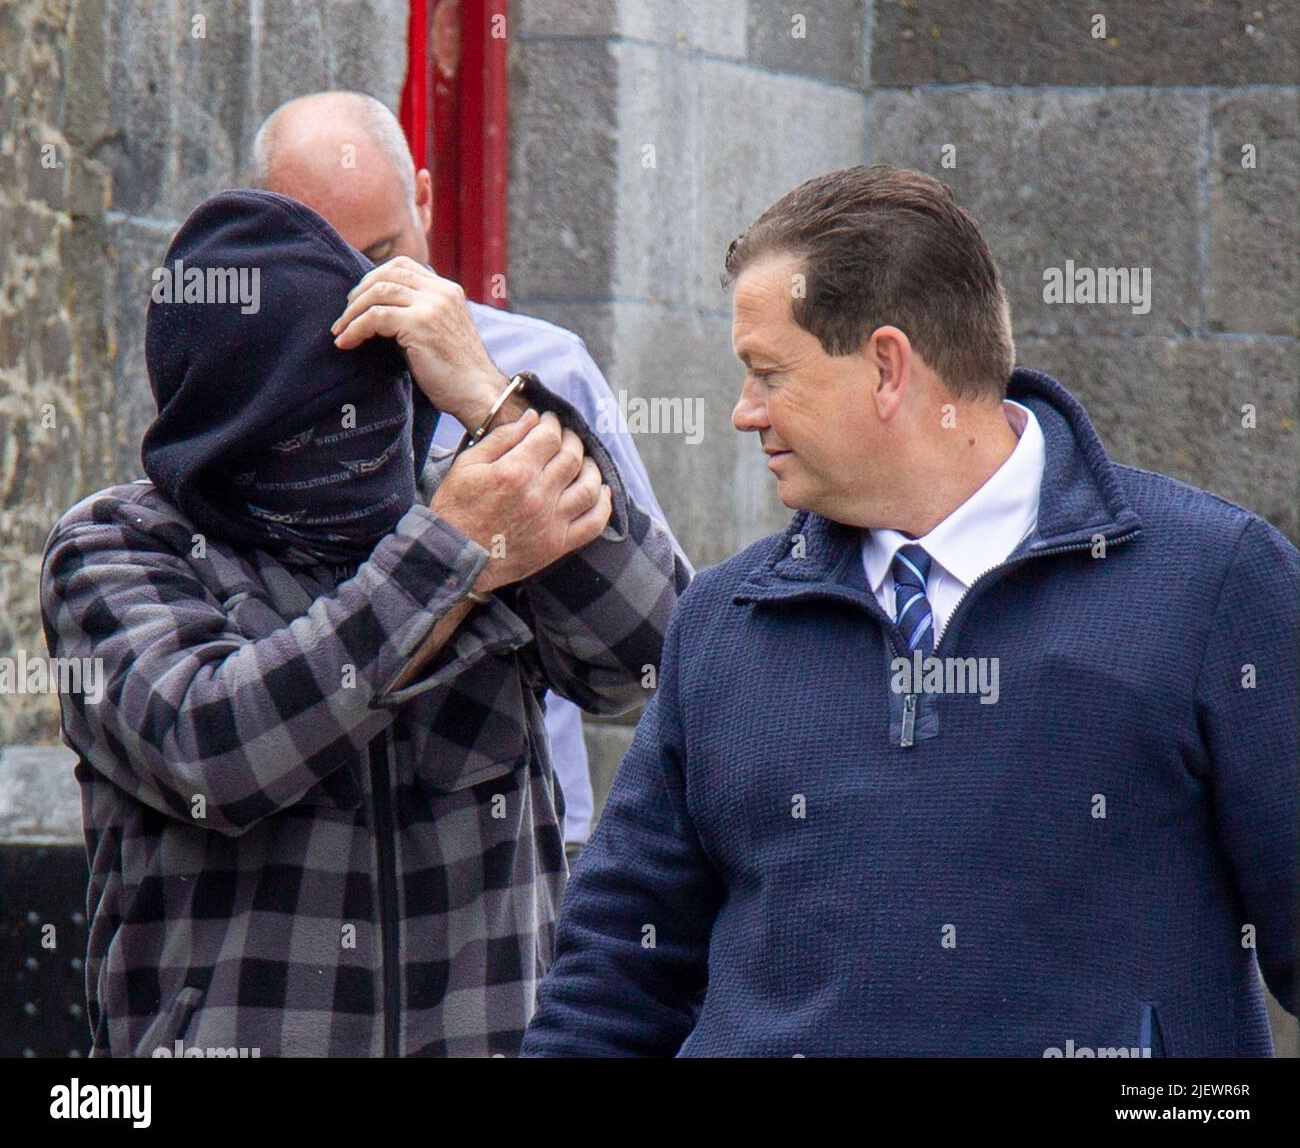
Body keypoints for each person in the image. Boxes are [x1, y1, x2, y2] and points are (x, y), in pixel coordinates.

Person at [521, 165, 1299, 1057]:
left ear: (888, 366)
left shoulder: (1214, 583)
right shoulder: (724, 619)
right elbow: (616, 975)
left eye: (768, 372)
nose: (744, 412)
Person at [41, 188, 683, 1057]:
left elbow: (658, 660)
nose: (359, 454)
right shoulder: (115, 547)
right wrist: (448, 561)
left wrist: (496, 404)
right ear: (226, 429)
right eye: (315, 429)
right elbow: (215, 746)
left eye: (378, 411)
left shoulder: (464, 503)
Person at [248, 91, 692, 860]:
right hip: (312, 843)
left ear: (424, 195)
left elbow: (667, 640)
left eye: (385, 251)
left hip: (520, 846)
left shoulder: (544, 364)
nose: (367, 291)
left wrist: (494, 401)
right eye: (328, 264)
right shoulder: (242, 395)